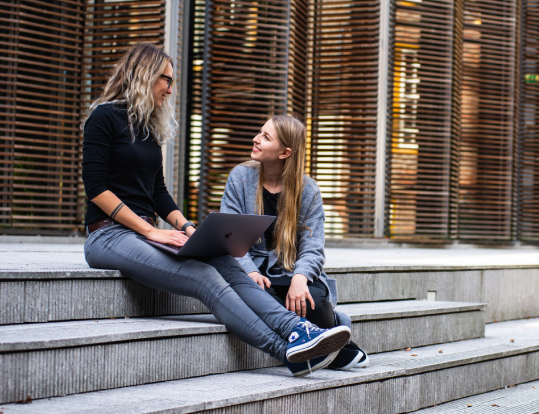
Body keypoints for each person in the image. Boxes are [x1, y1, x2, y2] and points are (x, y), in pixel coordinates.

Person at [81, 42, 350, 377]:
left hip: (147, 235)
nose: (170, 87)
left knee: (223, 259)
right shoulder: (103, 117)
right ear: (144, 75)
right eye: (166, 79)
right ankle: (286, 351)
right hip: (108, 235)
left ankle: (297, 329)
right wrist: (150, 230)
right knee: (205, 277)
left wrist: (190, 229)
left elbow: (160, 194)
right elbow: (95, 189)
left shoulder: (148, 129)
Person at [220, 114, 369, 370]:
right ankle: (337, 349)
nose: (256, 139)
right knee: (256, 296)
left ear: (284, 152)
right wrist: (250, 270)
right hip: (253, 271)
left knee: (314, 301)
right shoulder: (240, 177)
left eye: (266, 137)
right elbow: (229, 234)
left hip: (291, 272)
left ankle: (327, 330)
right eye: (260, 131)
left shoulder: (307, 189)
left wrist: (301, 278)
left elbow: (313, 246)